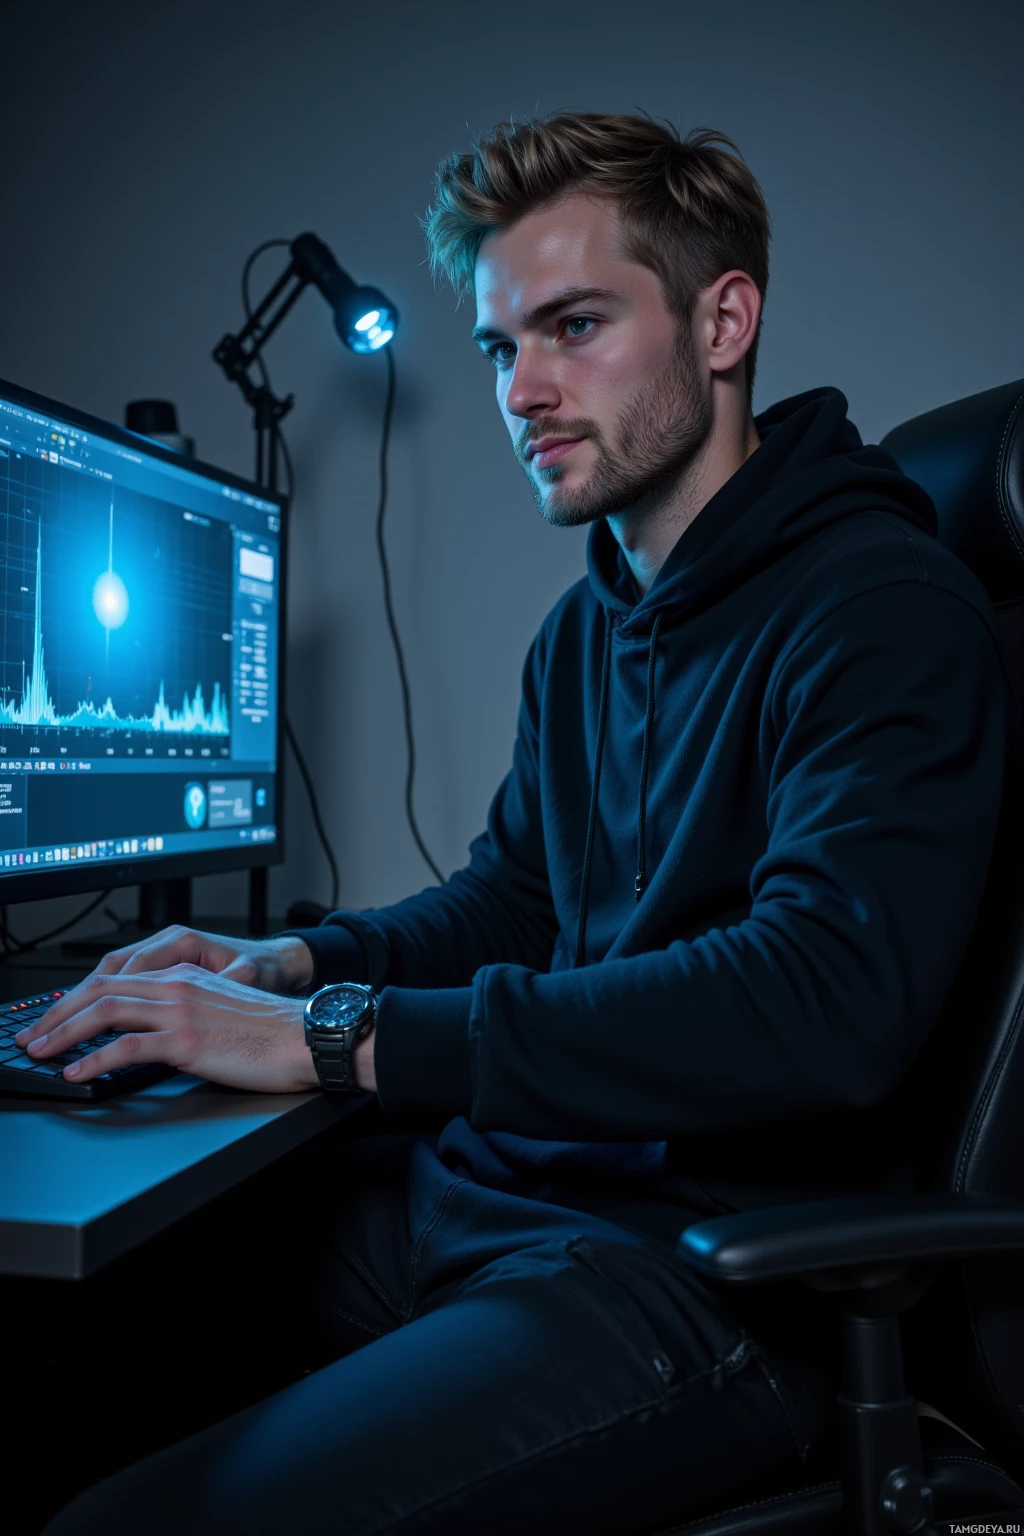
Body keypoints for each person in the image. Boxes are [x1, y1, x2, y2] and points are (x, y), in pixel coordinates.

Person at [30, 112, 1013, 1535]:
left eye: (574, 326)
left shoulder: (880, 611)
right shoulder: (585, 630)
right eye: (501, 348)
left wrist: (341, 1043)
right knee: (63, 1336)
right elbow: (515, 900)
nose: (524, 391)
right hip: (503, 1197)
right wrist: (293, 969)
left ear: (722, 319)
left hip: (707, 1278)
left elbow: (825, 1001)